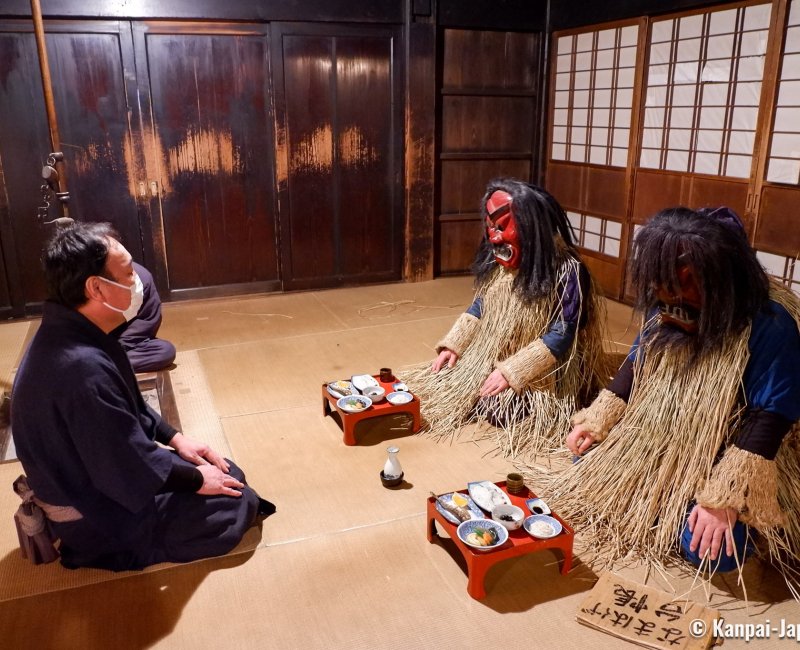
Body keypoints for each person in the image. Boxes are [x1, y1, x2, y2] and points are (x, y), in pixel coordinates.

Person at [540, 206, 800, 584]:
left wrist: (724, 499)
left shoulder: (769, 323)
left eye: (684, 285)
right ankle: (667, 499)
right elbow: (637, 363)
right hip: (661, 438)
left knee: (712, 552)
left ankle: (707, 512)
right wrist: (599, 418)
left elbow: (772, 413)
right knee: (586, 465)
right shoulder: (664, 307)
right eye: (661, 285)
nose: (669, 296)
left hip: (725, 453)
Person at [11, 221, 274, 571]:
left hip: (98, 476)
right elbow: (124, 464)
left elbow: (128, 413)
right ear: (96, 288)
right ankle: (111, 550)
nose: (137, 280)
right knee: (235, 503)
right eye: (127, 272)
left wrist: (174, 438)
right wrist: (194, 480)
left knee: (225, 474)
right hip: (90, 512)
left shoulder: (77, 331)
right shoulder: (80, 369)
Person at [405, 178, 611, 459]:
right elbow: (482, 304)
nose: (494, 236)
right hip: (495, 354)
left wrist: (513, 372)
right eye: (491, 226)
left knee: (497, 410)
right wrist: (454, 344)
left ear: (531, 228)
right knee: (443, 383)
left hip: (544, 375)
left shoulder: (567, 271)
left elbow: (563, 331)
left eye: (502, 226)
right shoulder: (497, 259)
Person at [111, 261, 176, 372]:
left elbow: (142, 328)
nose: (132, 277)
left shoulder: (140, 278)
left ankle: (101, 362)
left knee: (165, 351)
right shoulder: (84, 277)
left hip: (121, 343)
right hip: (84, 341)